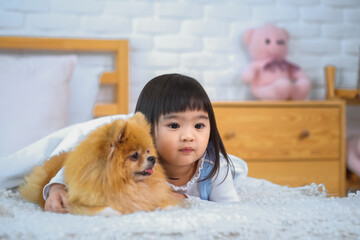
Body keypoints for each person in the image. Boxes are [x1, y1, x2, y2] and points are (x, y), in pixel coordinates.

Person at [44, 73, 242, 213]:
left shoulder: (215, 167)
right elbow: (82, 160)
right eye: (174, 125)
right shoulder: (140, 158)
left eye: (199, 125)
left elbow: (230, 210)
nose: (189, 136)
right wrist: (56, 187)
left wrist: (188, 201)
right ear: (149, 130)